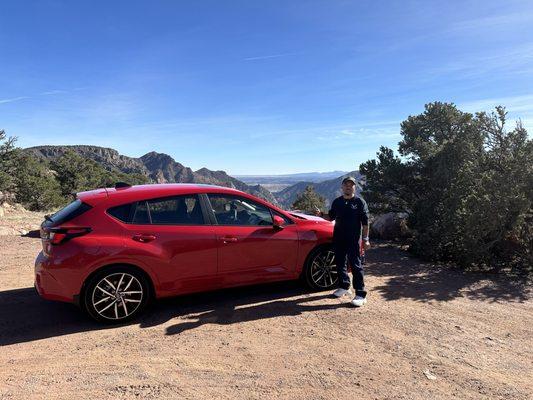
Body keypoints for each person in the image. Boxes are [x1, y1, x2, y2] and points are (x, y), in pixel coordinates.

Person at [315, 176, 370, 307]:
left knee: (356, 266)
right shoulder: (337, 202)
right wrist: (321, 215)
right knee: (340, 263)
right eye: (346, 184)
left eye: (351, 185)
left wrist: (365, 239)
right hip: (339, 238)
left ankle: (361, 294)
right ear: (342, 187)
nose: (348, 187)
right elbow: (331, 217)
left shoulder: (360, 202)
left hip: (353, 240)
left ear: (354, 187)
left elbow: (366, 223)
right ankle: (344, 286)